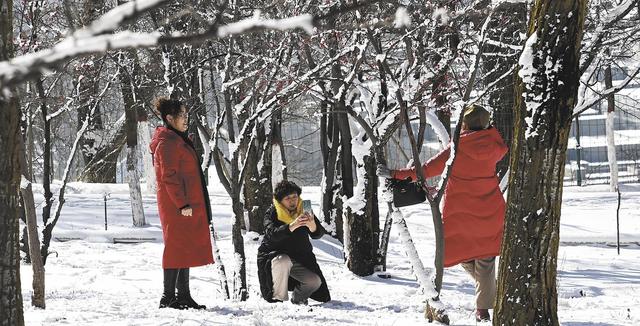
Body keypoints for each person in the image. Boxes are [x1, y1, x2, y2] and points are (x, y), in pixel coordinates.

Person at [378, 104, 507, 322]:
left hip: (462, 212)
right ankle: (485, 303)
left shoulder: (459, 147)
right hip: (491, 209)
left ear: (464, 124)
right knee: (485, 258)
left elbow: (427, 170)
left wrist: (394, 173)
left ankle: (484, 304)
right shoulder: (495, 144)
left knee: (464, 255)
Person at [150, 97, 214, 310]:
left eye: (187, 115)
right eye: (182, 116)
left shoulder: (177, 139)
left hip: (185, 204)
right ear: (169, 118)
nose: (186, 119)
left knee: (183, 247)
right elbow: (169, 177)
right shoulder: (167, 143)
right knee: (176, 248)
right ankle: (168, 297)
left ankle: (183, 296)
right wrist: (181, 204)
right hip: (176, 206)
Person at [257, 180, 331, 304]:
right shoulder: (272, 213)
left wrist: (312, 224)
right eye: (288, 198)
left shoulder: (304, 210)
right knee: (283, 260)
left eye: (295, 197)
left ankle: (298, 299)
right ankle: (277, 299)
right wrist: (292, 225)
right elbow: (272, 234)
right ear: (280, 200)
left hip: (300, 258)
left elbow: (317, 234)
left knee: (315, 282)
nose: (292, 201)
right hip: (275, 259)